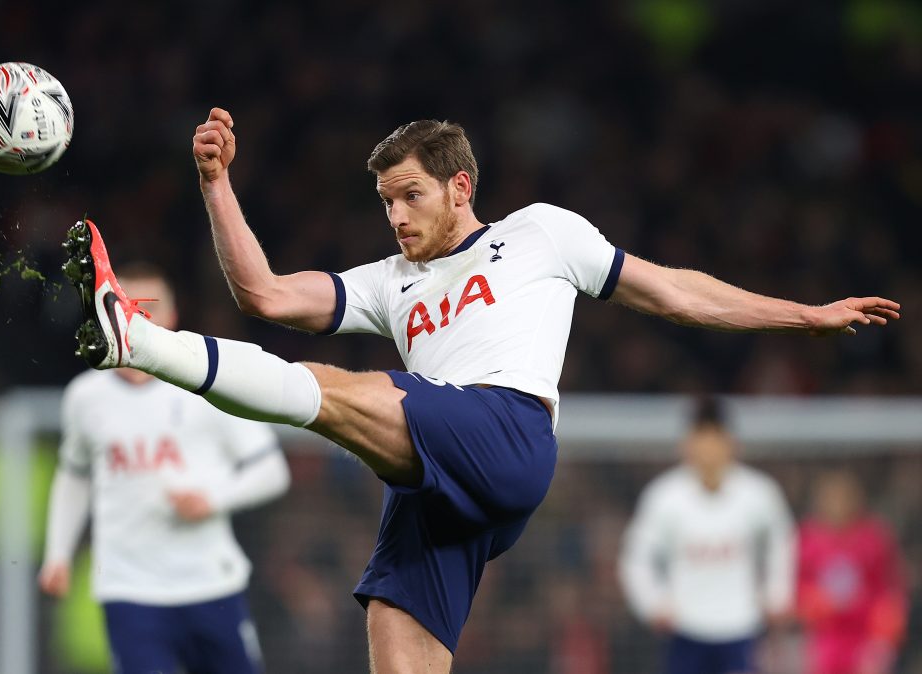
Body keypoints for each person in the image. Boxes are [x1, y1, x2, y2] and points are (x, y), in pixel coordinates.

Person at [61, 107, 899, 673]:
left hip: (504, 430)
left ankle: (138, 340)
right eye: (385, 201)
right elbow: (266, 296)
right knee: (395, 636)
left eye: (410, 196)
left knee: (330, 387)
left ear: (460, 186)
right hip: (437, 475)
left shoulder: (542, 234)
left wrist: (803, 315)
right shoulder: (390, 281)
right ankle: (138, 337)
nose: (396, 216)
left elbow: (676, 291)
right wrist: (216, 185)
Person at [39, 262, 291, 674]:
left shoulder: (210, 383)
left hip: (210, 583)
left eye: (149, 309)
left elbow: (271, 470)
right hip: (129, 589)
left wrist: (211, 499)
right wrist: (57, 554)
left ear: (172, 316)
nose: (137, 319)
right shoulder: (85, 396)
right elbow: (75, 474)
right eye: (126, 307)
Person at [618, 397, 796, 674]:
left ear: (731, 443)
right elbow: (637, 556)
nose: (709, 449)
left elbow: (781, 543)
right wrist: (651, 603)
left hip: (742, 626)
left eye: (716, 438)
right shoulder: (664, 497)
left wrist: (776, 595)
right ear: (687, 444)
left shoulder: (759, 494)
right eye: (702, 438)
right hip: (685, 627)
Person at [797, 469, 907, 674]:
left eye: (843, 499)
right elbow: (799, 585)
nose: (838, 505)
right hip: (826, 635)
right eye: (832, 499)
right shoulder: (808, 539)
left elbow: (889, 588)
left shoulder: (874, 537)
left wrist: (883, 639)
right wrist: (813, 603)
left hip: (865, 634)